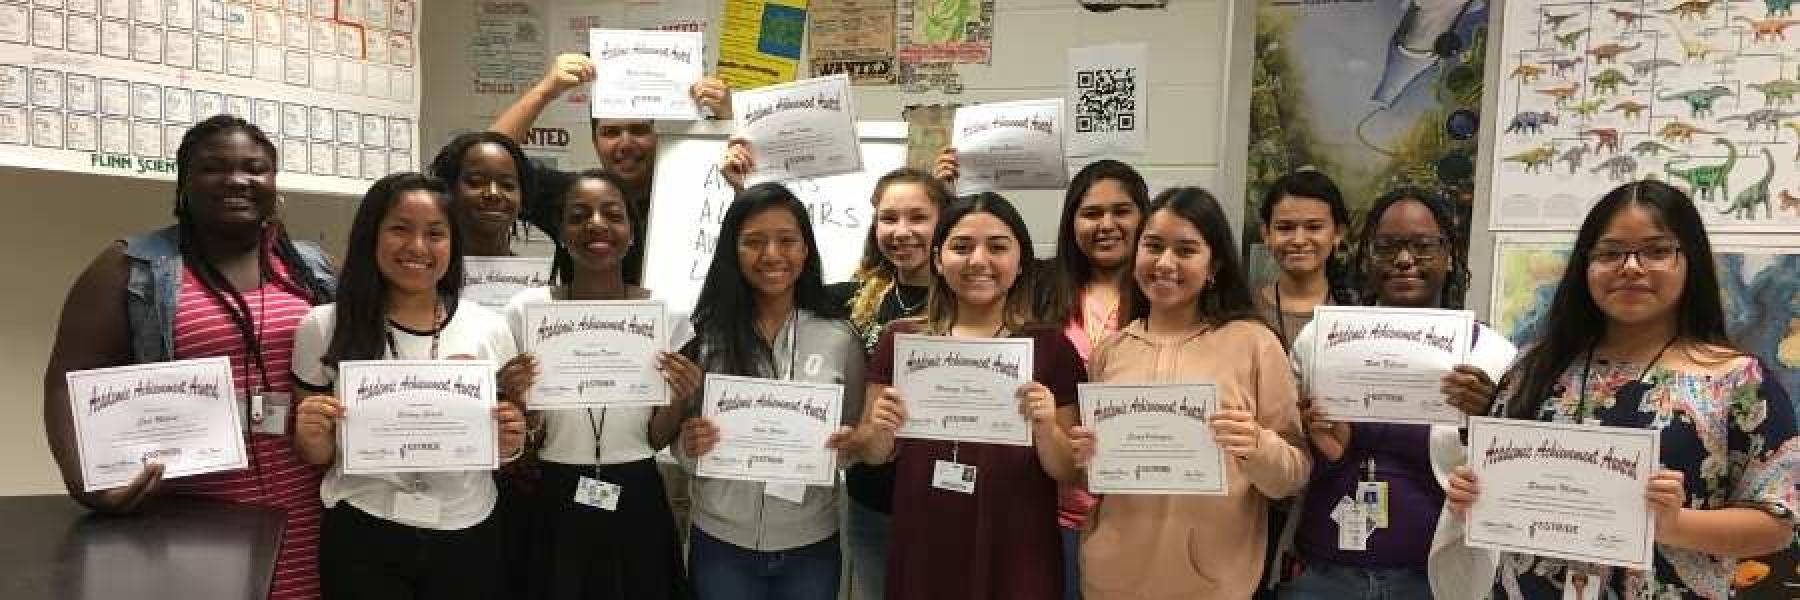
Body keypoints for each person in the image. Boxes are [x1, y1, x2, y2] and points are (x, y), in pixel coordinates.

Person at [1445, 180, 1797, 599]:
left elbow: (1777, 524)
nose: (1630, 267)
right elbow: (1493, 481)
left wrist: (1674, 523)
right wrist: (1473, 496)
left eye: (1656, 250)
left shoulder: (1738, 382)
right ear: (1586, 265)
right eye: (1610, 253)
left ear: (1691, 261)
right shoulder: (1532, 368)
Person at [42, 115, 337, 599]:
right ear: (184, 182)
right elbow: (66, 382)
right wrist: (86, 483)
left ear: (274, 183)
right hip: (189, 517)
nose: (237, 179)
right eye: (213, 167)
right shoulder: (131, 266)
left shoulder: (312, 267)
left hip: (308, 512)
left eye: (255, 168)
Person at [289, 173, 534, 600]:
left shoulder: (489, 328)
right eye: (400, 229)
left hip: (467, 529)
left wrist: (511, 439)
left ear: (453, 245)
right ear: (371, 235)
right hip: (364, 530)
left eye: (435, 233)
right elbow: (318, 455)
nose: (417, 247)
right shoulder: (323, 326)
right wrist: (310, 434)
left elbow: (506, 443)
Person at [1069, 186, 1310, 599]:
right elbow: (1095, 479)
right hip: (1110, 578)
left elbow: (1293, 476)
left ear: (1213, 264)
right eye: (1153, 246)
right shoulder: (1113, 350)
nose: (1165, 263)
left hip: (1215, 583)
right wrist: (1085, 454)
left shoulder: (1253, 343)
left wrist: (1256, 444)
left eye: (1185, 250)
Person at [1275, 188, 1516, 600]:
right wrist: (1323, 449)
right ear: (1366, 255)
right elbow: (1286, 459)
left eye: (1423, 247)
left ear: (1451, 255)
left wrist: (1484, 422)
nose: (1404, 261)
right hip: (1323, 574)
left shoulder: (1491, 354)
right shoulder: (1320, 340)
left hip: (1432, 578)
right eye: (1387, 247)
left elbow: (1511, 483)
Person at [856, 192, 1087, 599]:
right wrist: (879, 429)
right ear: (938, 261)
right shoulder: (903, 340)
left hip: (1017, 543)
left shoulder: (1051, 347)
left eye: (997, 247)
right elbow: (875, 454)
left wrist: (1047, 428)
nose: (978, 260)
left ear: (1020, 264)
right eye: (961, 247)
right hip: (926, 534)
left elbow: (1069, 471)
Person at [500, 169, 699, 599]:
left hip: (638, 488)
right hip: (554, 488)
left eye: (612, 213)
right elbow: (529, 436)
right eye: (578, 215)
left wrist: (679, 398)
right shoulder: (526, 310)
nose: (595, 224)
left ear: (631, 231)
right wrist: (517, 398)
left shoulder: (669, 313)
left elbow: (656, 437)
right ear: (561, 231)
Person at [671, 183, 866, 600]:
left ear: (806, 250)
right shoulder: (704, 336)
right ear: (732, 251)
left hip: (810, 545)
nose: (772, 255)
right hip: (721, 543)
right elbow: (680, 443)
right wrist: (690, 445)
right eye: (754, 242)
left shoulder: (839, 337)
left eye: (787, 241)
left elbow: (851, 436)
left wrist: (849, 445)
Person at [489, 53, 734, 284]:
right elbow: (483, 159)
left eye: (638, 130)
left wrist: (728, 123)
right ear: (595, 140)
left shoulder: (698, 196)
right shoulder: (571, 198)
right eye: (611, 132)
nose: (626, 144)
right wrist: (544, 92)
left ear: (659, 136)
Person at [1040, 159, 1152, 599]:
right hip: (1052, 512)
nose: (1106, 224)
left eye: (1121, 211)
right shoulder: (1042, 289)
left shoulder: (1167, 294)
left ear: (1144, 216)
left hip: (1136, 511)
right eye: (1090, 214)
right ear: (1072, 223)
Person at [1255, 170, 1358, 350]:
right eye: (1285, 228)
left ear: (1338, 233)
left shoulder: (1358, 311)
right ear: (1266, 234)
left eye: (1314, 227)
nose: (1299, 240)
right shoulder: (1244, 310)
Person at [428, 131, 543, 256]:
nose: (493, 194)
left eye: (507, 185)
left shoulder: (536, 274)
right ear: (449, 190)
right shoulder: (424, 271)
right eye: (476, 182)